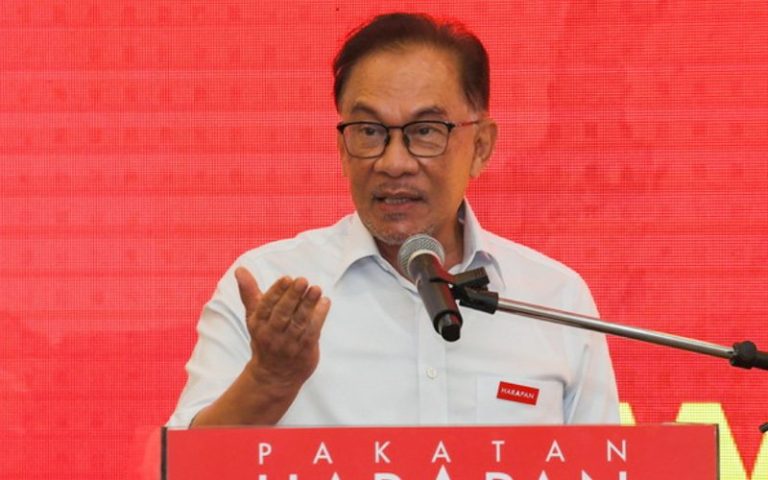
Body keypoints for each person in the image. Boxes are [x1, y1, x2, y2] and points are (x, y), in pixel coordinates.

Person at [167, 12, 619, 428]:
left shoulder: (555, 301)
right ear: (342, 149)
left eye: (425, 131)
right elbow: (182, 467)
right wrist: (268, 382)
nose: (394, 162)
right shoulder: (269, 289)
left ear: (481, 146)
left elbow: (605, 466)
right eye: (369, 131)